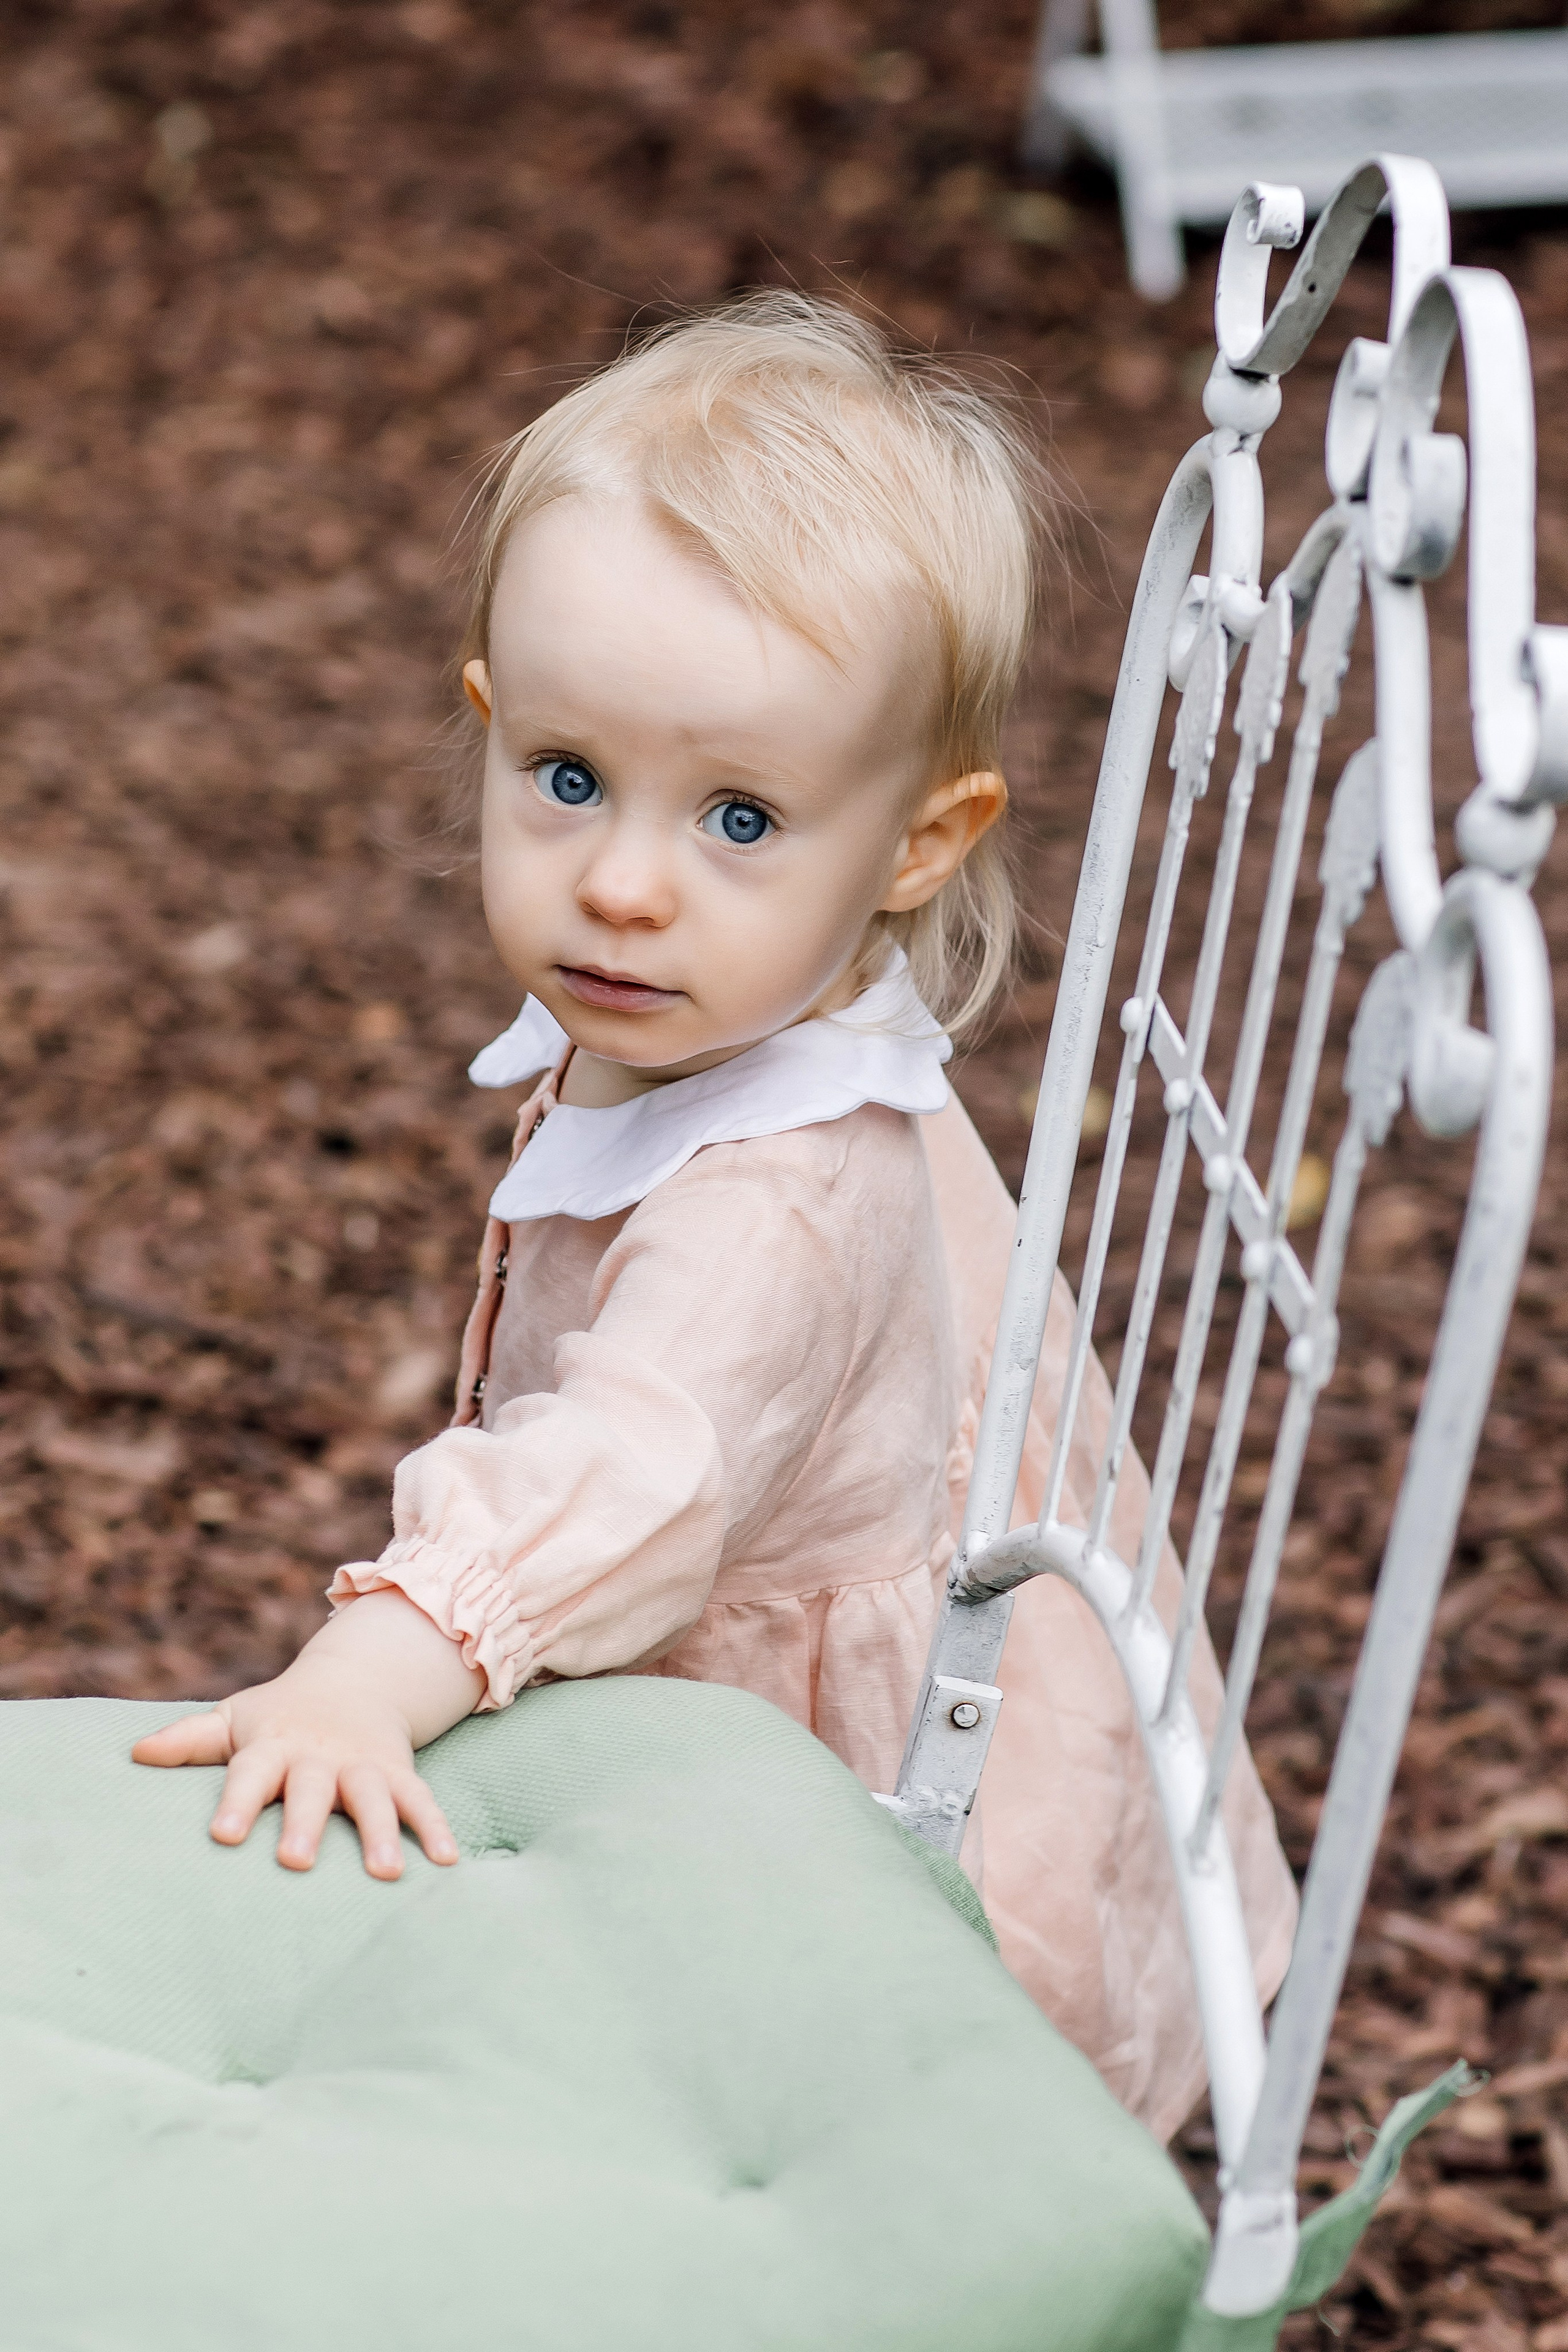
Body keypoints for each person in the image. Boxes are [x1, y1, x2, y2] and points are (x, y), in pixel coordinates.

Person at [135, 294, 1295, 2141]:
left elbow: (649, 1454)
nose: (621, 887)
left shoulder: (788, 1177)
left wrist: (383, 1652)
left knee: (825, 2111)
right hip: (795, 1587)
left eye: (738, 818)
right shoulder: (756, 1010)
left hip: (837, 1752)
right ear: (492, 724)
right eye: (569, 780)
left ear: (919, 844)